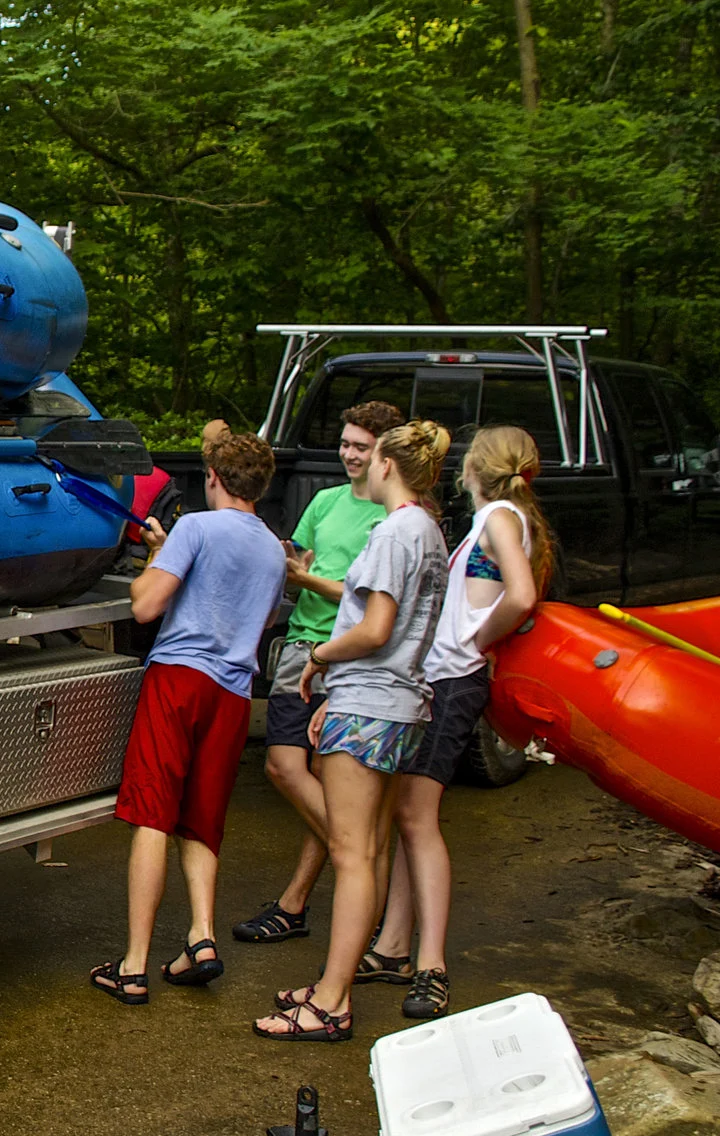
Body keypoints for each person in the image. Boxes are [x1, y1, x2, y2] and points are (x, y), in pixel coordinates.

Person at [255, 419, 450, 1042]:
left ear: (387, 465)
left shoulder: (393, 532)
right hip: (400, 703)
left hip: (370, 703)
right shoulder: (429, 530)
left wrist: (318, 658)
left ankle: (332, 1002)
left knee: (352, 853)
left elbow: (375, 628)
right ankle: (332, 983)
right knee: (364, 849)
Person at [89, 425, 287, 1005]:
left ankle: (133, 965)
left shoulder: (196, 527)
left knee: (153, 812)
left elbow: (146, 604)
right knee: (201, 818)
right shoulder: (273, 550)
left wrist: (158, 555)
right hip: (233, 692)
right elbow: (261, 621)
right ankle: (202, 937)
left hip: (179, 679)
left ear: (214, 478)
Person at [368, 425, 553, 1019]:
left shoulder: (498, 515)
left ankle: (432, 965)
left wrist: (477, 643)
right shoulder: (503, 518)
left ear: (476, 465)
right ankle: (394, 946)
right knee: (408, 812)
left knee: (418, 817)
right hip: (443, 677)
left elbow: (520, 597)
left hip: (454, 679)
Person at [231, 401, 404, 950]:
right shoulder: (326, 501)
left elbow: (361, 597)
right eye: (346, 443)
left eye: (361, 447)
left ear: (385, 454)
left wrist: (308, 579)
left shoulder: (392, 517)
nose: (349, 455)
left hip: (349, 653)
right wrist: (293, 571)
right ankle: (360, 857)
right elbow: (303, 567)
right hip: (301, 645)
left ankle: (295, 903)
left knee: (333, 779)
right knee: (284, 766)